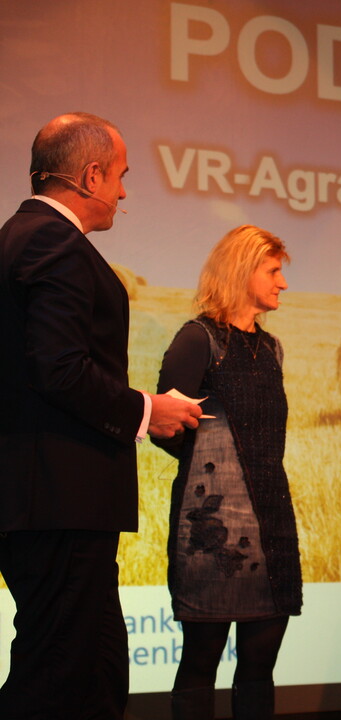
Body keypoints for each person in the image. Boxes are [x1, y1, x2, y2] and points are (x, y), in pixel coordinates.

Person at [0, 113, 201, 719]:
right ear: (89, 175)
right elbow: (58, 368)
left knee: (94, 666)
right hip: (57, 501)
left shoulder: (16, 236)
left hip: (43, 501)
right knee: (60, 675)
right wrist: (148, 410)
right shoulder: (54, 243)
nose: (122, 193)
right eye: (119, 177)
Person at [153, 225, 302, 720]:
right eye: (273, 271)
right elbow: (164, 430)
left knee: (260, 664)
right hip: (213, 529)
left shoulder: (273, 348)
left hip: (272, 521)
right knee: (201, 661)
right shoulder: (198, 340)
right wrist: (214, 475)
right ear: (242, 271)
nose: (283, 283)